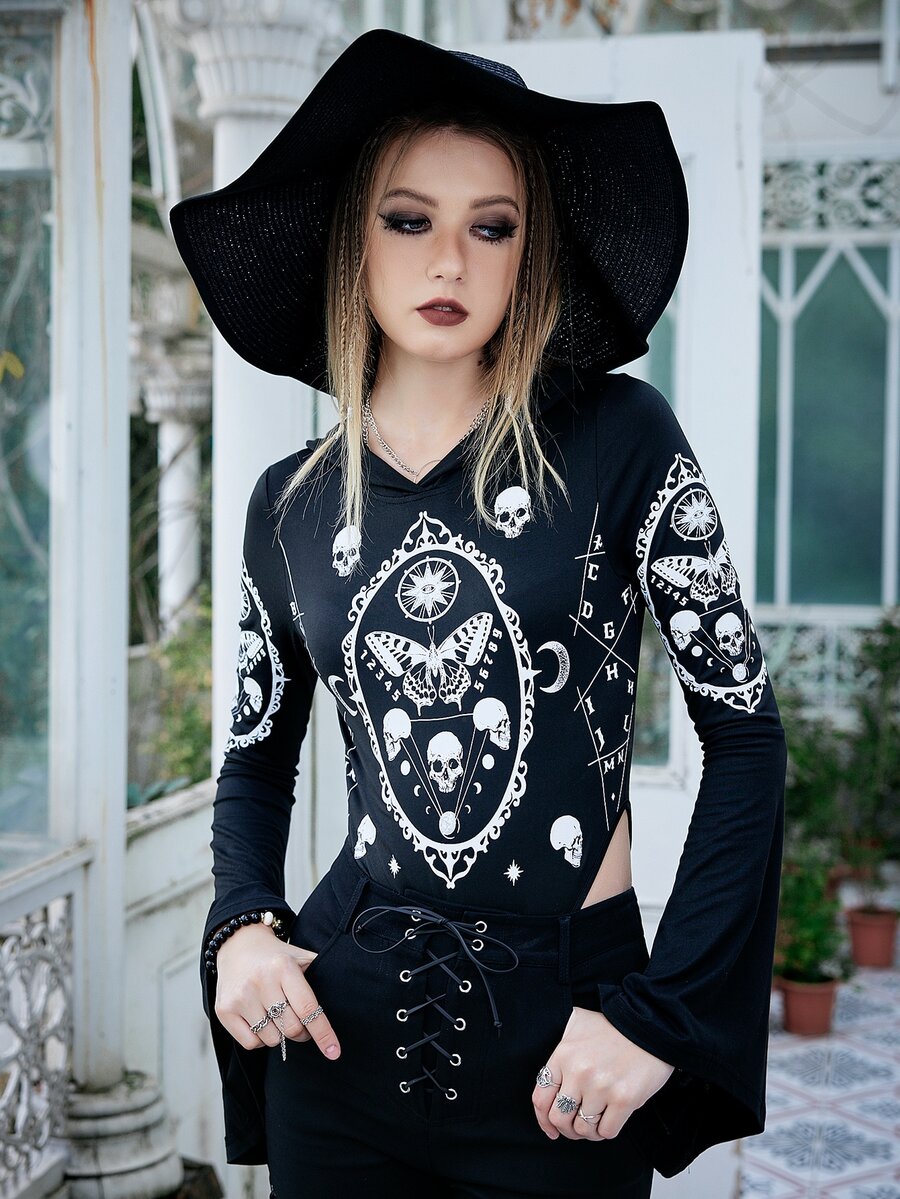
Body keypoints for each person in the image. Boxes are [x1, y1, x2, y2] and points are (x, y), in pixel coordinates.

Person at [169, 28, 787, 1199]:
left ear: (528, 252)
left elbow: (747, 741)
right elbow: (254, 761)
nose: (448, 258)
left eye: (491, 226)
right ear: (354, 241)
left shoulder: (622, 439)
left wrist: (656, 1016)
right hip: (337, 1045)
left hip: (570, 1048)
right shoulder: (289, 505)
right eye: (409, 219)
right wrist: (241, 923)